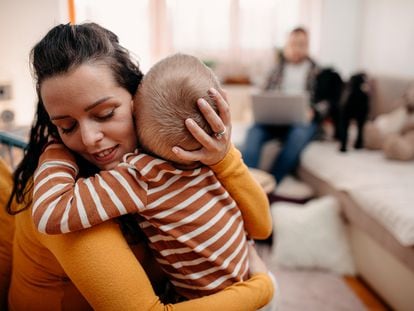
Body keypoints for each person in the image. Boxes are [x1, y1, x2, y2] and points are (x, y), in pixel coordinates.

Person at [5, 23, 274, 310]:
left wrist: (224, 158)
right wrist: (261, 287)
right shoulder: (67, 193)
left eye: (105, 114)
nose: (89, 139)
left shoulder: (167, 154)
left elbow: (261, 227)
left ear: (138, 99)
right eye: (66, 126)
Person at [242, 27, 320, 184]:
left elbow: (325, 101)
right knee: (253, 132)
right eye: (293, 44)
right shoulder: (276, 69)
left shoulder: (317, 71)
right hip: (273, 121)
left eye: (301, 44)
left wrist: (314, 111)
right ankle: (247, 184)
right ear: (287, 45)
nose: (297, 48)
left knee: (298, 135)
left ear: (307, 46)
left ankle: (271, 183)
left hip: (300, 123)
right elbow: (262, 94)